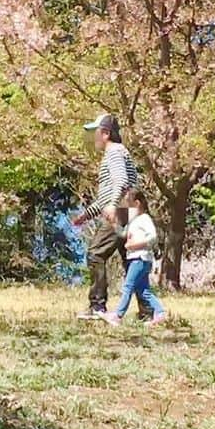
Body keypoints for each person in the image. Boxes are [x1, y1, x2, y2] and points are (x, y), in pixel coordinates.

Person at [71, 113, 150, 320]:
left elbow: (121, 182)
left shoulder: (114, 152)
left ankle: (97, 306)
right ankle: (148, 311)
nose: (93, 138)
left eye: (94, 132)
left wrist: (115, 206)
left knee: (96, 253)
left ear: (105, 133)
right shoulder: (118, 153)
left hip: (122, 210)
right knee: (131, 260)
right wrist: (86, 215)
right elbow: (106, 196)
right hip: (129, 209)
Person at [102, 187, 166, 326]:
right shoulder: (134, 221)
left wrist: (136, 245)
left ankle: (118, 316)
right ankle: (160, 313)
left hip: (141, 258)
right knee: (143, 291)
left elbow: (153, 237)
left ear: (137, 204)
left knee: (128, 286)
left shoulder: (145, 219)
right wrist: (113, 224)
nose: (127, 208)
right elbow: (124, 234)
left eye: (129, 205)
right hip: (135, 258)